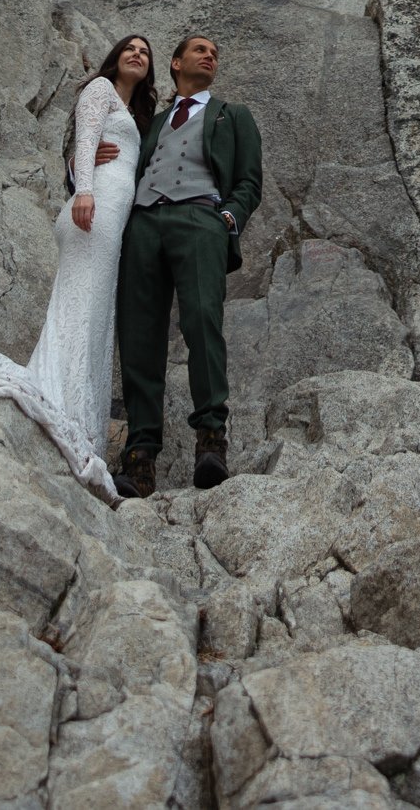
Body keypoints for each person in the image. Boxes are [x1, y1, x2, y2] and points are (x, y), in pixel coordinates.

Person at [0, 33, 156, 502]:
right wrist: (83, 188)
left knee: (94, 317)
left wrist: (85, 176)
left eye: (145, 52)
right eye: (129, 48)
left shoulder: (139, 113)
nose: (137, 54)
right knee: (81, 311)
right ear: (115, 59)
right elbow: (87, 138)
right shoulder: (99, 90)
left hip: (113, 219)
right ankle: (65, 411)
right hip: (91, 213)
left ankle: (80, 425)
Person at [111, 31, 262, 500]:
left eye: (215, 53)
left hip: (200, 218)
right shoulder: (151, 122)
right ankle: (139, 460)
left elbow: (250, 180)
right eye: (200, 50)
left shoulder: (232, 116)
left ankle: (211, 441)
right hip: (143, 224)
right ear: (176, 64)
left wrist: (228, 217)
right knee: (138, 337)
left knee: (201, 322)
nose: (210, 56)